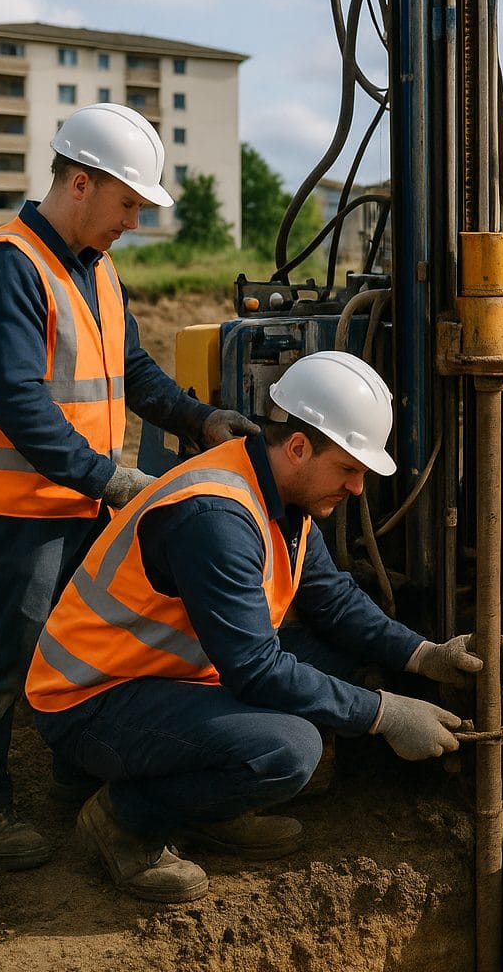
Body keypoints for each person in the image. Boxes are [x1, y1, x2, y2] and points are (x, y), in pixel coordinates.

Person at [23, 351, 479, 903]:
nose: (358, 488)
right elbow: (257, 670)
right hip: (90, 699)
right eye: (349, 469)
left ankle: (205, 807)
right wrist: (384, 714)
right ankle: (124, 821)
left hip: (162, 676)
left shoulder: (276, 490)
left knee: (322, 671)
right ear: (298, 448)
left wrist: (423, 654)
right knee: (287, 750)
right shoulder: (217, 518)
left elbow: (332, 598)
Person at [0, 102, 260, 870]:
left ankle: (73, 777)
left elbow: (134, 368)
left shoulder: (96, 267)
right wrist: (116, 478)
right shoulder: (7, 264)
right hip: (20, 508)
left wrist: (199, 418)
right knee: (4, 657)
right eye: (129, 203)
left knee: (84, 651)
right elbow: (19, 403)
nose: (134, 221)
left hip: (82, 499)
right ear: (80, 183)